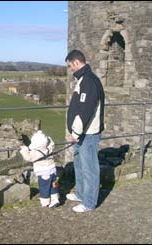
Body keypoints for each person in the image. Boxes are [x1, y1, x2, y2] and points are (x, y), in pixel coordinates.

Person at [65, 49, 105, 213]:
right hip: (82, 133)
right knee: (80, 164)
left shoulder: (88, 81)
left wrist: (76, 133)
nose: (70, 69)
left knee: (89, 168)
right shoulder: (84, 79)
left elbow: (85, 111)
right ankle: (81, 194)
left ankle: (89, 203)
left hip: (87, 134)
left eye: (70, 66)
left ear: (76, 62)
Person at [20, 130, 60, 208]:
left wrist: (24, 149)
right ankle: (55, 199)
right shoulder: (49, 148)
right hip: (53, 170)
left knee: (44, 187)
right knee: (53, 185)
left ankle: (45, 202)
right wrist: (48, 139)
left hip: (43, 173)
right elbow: (52, 143)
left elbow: (28, 157)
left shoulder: (36, 152)